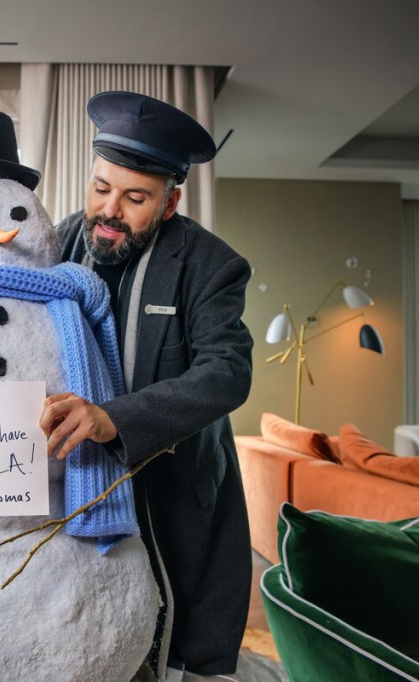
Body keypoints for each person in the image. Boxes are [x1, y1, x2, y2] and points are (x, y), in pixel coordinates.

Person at [39, 91, 254, 680]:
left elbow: (228, 371)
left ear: (169, 201)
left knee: (163, 649)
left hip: (172, 494)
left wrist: (116, 419)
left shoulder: (211, 265)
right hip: (74, 486)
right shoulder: (56, 245)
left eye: (135, 198)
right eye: (101, 188)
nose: (110, 209)